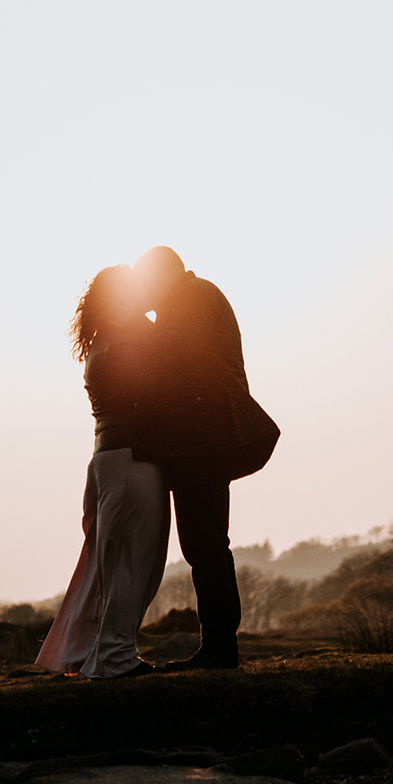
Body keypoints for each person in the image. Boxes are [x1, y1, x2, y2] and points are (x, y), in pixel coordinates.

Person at [128, 246, 279, 670]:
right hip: (201, 439)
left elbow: (171, 357)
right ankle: (217, 645)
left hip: (202, 441)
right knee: (204, 543)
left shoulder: (190, 300)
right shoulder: (193, 297)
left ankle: (220, 648)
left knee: (207, 544)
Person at [36, 264, 170, 681]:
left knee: (107, 566)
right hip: (132, 461)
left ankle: (89, 652)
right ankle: (115, 657)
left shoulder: (100, 341)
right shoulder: (132, 339)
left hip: (106, 460)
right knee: (134, 562)